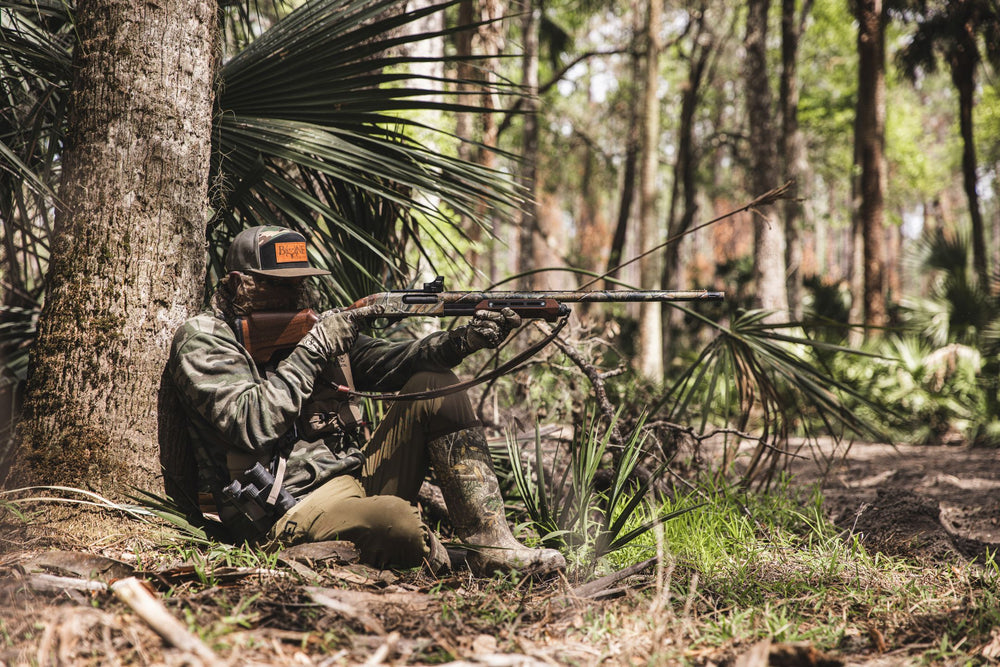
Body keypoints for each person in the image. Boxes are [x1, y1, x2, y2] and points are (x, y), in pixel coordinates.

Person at [168, 226, 565, 575]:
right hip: (283, 506)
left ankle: (492, 546)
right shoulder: (205, 339)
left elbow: (396, 362)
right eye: (278, 284)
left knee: (435, 383)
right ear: (238, 283)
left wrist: (462, 340)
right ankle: (450, 556)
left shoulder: (311, 331)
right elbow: (252, 424)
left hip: (355, 478)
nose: (293, 294)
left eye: (299, 283)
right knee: (398, 523)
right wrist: (314, 348)